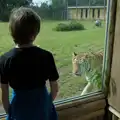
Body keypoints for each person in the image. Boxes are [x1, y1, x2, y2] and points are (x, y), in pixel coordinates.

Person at [0, 7, 59, 120]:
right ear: (34, 34)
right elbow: (55, 88)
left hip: (19, 108)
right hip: (42, 106)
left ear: (12, 33)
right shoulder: (46, 56)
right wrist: (47, 103)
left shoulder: (4, 59)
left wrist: (9, 112)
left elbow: (4, 91)